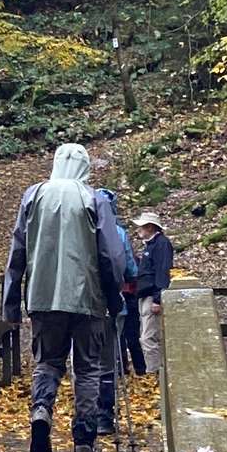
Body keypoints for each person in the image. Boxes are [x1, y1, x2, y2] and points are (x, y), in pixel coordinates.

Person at [3, 142, 129, 452]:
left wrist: (11, 303)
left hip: (43, 298)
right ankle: (84, 441)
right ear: (85, 167)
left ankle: (41, 410)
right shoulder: (95, 199)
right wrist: (115, 299)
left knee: (47, 362)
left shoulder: (33, 196)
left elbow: (17, 251)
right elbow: (111, 255)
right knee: (87, 369)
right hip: (88, 299)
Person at [93, 186, 137, 437]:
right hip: (110, 304)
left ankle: (85, 415)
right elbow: (129, 267)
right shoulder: (118, 233)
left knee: (84, 362)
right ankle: (105, 416)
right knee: (108, 361)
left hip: (83, 304)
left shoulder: (81, 228)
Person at [131, 212, 174, 373]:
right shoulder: (151, 245)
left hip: (151, 295)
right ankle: (157, 372)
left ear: (150, 227)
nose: (138, 230)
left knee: (148, 338)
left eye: (141, 227)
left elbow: (162, 272)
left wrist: (157, 298)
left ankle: (155, 373)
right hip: (145, 294)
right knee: (147, 336)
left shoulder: (161, 244)